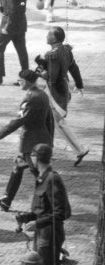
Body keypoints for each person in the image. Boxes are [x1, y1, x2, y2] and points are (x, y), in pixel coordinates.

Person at [0, 69, 55, 212]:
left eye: (20, 80)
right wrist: (50, 139)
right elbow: (50, 120)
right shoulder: (42, 94)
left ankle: (49, 205)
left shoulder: (31, 97)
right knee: (18, 167)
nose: (18, 82)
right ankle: (6, 200)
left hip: (31, 144)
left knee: (40, 175)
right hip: (40, 140)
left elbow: (19, 120)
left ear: (26, 82)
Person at [15, 144, 71, 265]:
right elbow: (43, 209)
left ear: (36, 158)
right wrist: (27, 217)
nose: (29, 160)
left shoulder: (52, 178)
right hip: (43, 234)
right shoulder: (41, 178)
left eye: (31, 156)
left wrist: (37, 223)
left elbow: (61, 212)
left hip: (50, 235)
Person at [34, 26, 88, 165]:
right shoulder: (66, 50)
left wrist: (41, 72)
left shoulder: (52, 54)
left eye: (49, 34)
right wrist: (79, 84)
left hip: (55, 93)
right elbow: (73, 68)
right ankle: (46, 149)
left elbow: (52, 78)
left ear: (54, 38)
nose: (46, 36)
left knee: (58, 122)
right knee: (48, 119)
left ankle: (79, 150)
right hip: (64, 89)